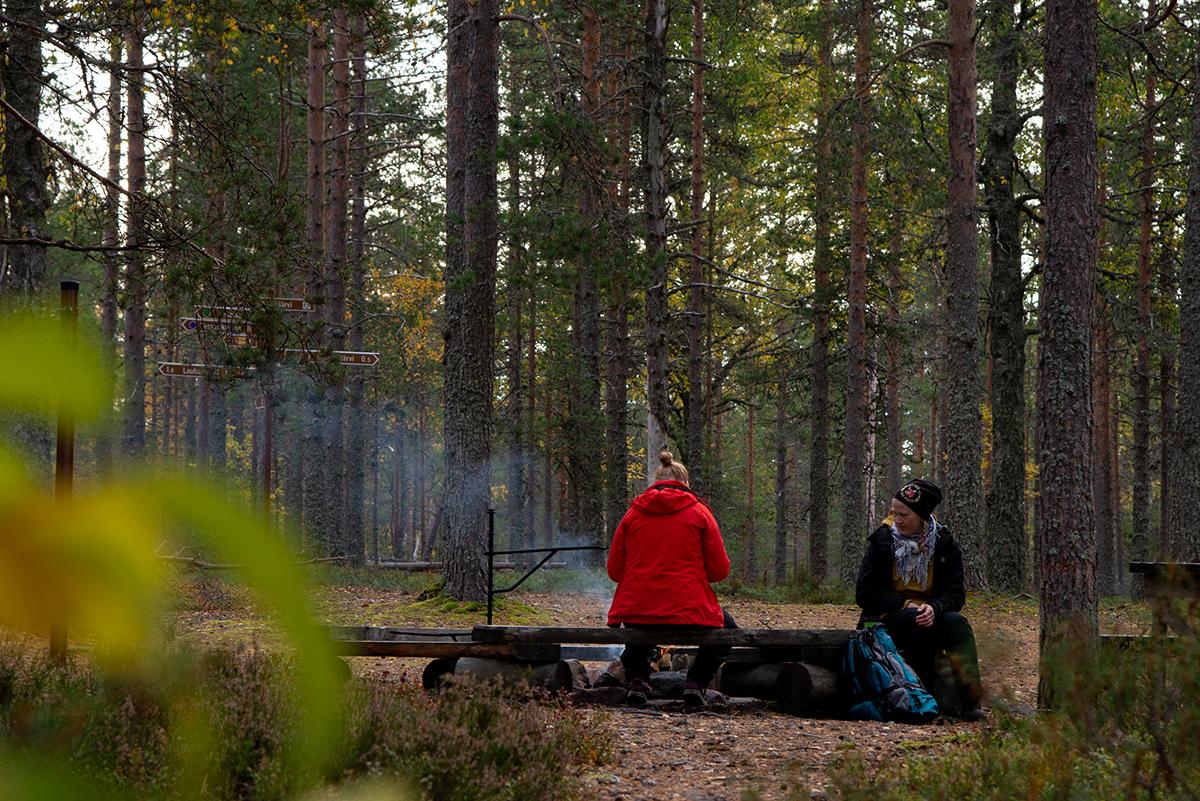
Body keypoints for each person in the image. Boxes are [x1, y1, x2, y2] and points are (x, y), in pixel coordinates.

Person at [606, 451, 736, 707]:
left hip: (638, 608)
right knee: (728, 630)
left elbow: (614, 571)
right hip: (689, 607)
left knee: (638, 627)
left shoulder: (632, 514)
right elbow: (720, 571)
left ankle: (638, 681)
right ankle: (696, 683)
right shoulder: (700, 513)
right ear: (684, 483)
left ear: (655, 482)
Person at [855, 478, 985, 720]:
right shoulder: (882, 541)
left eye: (904, 514)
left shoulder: (944, 544)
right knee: (917, 621)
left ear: (922, 516)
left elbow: (955, 595)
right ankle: (924, 699)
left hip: (929, 615)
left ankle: (970, 703)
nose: (898, 520)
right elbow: (864, 593)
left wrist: (934, 607)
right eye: (895, 513)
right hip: (886, 619)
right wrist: (905, 604)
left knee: (957, 624)